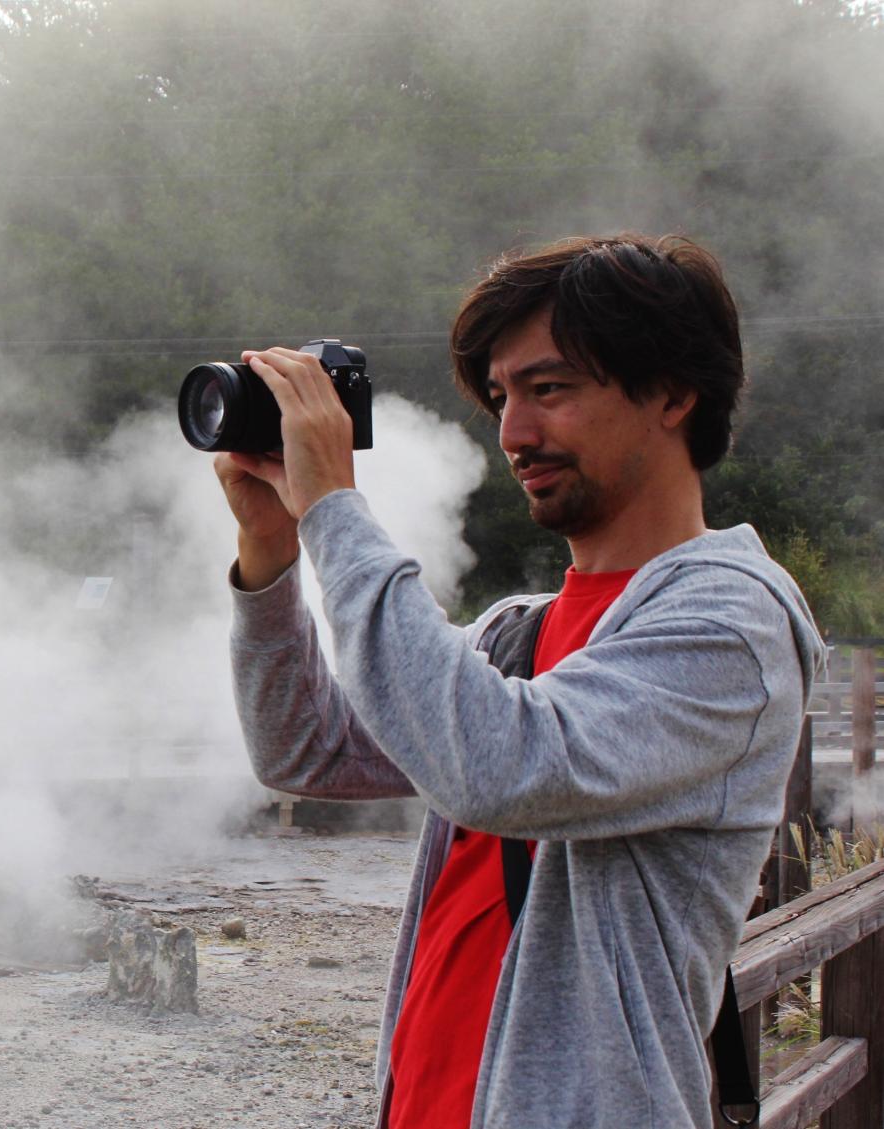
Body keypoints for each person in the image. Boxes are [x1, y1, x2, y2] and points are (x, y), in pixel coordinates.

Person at [216, 234, 822, 1129]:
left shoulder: (731, 626)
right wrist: (271, 556)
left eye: (550, 389)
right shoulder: (517, 632)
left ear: (672, 394)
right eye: (501, 398)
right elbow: (307, 748)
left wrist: (337, 512)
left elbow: (501, 769)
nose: (513, 433)